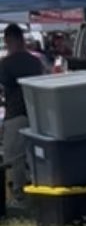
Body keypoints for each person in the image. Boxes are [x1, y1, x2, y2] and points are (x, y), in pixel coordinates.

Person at [1, 23, 46, 204]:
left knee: (14, 158)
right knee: (36, 156)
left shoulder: (6, 64)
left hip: (15, 114)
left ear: (9, 40)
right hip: (35, 115)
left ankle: (18, 195)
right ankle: (38, 190)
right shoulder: (35, 62)